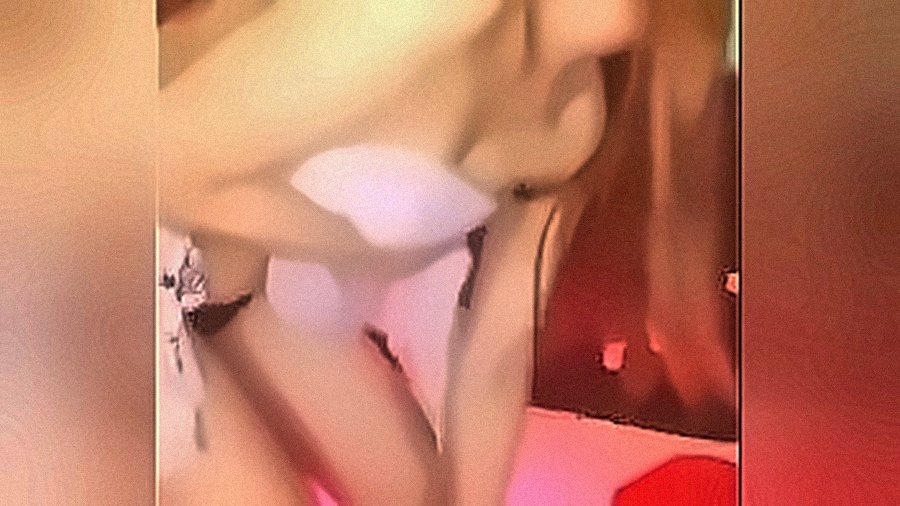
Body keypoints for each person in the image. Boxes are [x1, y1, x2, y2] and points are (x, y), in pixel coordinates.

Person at [156, 1, 736, 504]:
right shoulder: (428, 11)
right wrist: (342, 231)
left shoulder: (573, 124)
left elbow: (497, 350)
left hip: (241, 299)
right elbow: (144, 168)